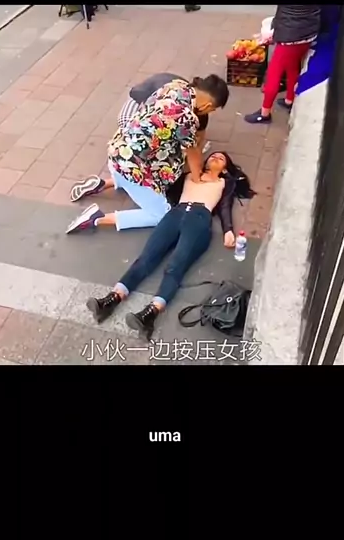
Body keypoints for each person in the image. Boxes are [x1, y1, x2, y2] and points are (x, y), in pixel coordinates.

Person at [86, 151, 255, 340]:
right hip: (174, 214)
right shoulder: (190, 174)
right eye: (212, 156)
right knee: (146, 258)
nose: (215, 158)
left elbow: (225, 206)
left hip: (199, 219)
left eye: (220, 158)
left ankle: (150, 313)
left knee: (175, 265)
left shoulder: (224, 182)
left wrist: (228, 230)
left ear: (224, 168)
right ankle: (111, 299)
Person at [66, 75, 230, 234]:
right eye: (213, 109)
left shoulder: (176, 86)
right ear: (207, 105)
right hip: (130, 166)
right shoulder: (186, 118)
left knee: (169, 165)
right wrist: (197, 179)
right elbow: (193, 155)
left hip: (120, 149)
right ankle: (97, 218)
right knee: (161, 215)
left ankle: (102, 184)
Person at [70, 73, 210, 203]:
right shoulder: (186, 115)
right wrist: (196, 174)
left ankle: (107, 182)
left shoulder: (179, 89)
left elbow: (196, 141)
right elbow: (192, 147)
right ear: (207, 105)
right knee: (138, 139)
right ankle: (99, 214)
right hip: (136, 105)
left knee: (156, 150)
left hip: (129, 140)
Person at [245, 5, 322, 124]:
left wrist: (274, 32)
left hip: (289, 35)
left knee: (273, 74)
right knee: (293, 65)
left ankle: (264, 114)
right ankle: (289, 100)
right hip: (309, 33)